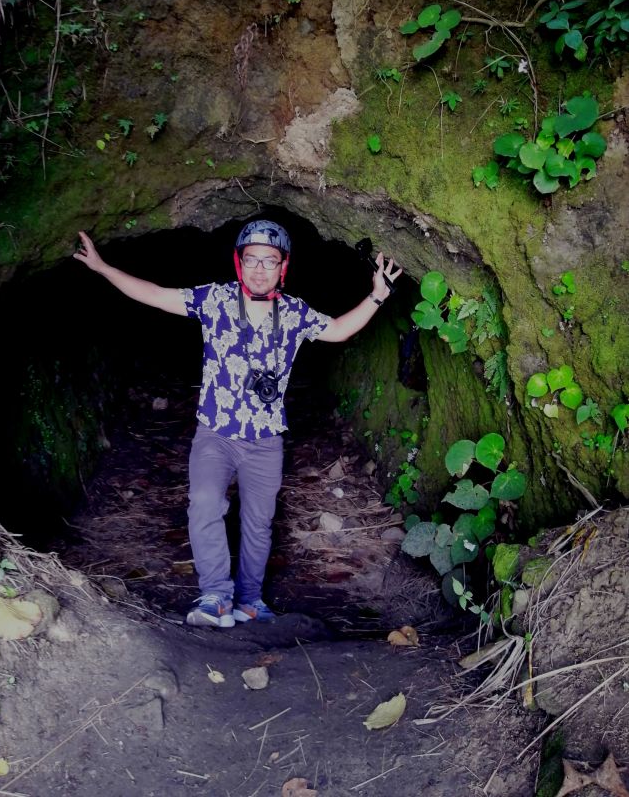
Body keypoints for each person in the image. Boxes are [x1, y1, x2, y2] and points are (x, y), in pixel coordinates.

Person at [74, 220, 402, 628]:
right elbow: (156, 296)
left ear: (282, 267)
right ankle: (214, 595)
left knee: (259, 523)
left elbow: (336, 330)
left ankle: (250, 601)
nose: (259, 269)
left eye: (269, 261)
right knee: (206, 503)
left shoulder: (295, 313)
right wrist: (104, 268)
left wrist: (376, 296)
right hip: (215, 434)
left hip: (266, 441)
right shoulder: (216, 300)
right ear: (239, 263)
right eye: (251, 260)